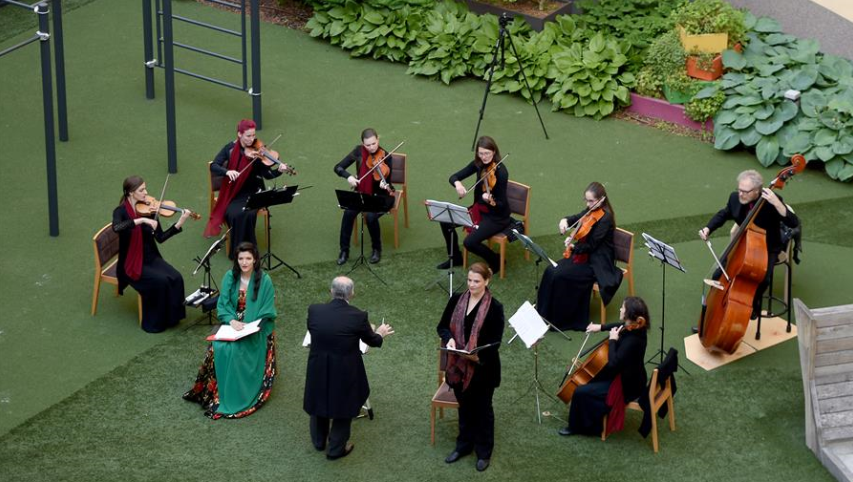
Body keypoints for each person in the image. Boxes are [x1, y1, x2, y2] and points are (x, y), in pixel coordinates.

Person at [183, 242, 278, 419]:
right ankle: (214, 393)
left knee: (236, 350)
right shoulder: (229, 277)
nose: (244, 262)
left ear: (255, 259)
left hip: (256, 326)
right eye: (241, 258)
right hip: (233, 322)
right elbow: (223, 304)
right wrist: (232, 320)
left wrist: (249, 327)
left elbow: (267, 310)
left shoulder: (265, 280)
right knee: (218, 347)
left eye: (248, 258)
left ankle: (236, 394)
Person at [303, 276, 394, 460]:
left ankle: (319, 442)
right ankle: (336, 449)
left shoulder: (314, 310)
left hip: (318, 367)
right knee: (343, 406)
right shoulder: (358, 316)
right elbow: (372, 341)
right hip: (344, 370)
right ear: (352, 293)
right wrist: (380, 333)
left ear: (331, 291)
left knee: (319, 399)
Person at [698, 169, 800, 320]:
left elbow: (793, 222)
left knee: (762, 279)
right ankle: (710, 315)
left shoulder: (771, 202)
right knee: (718, 274)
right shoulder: (734, 198)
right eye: (739, 189)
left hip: (768, 247)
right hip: (743, 242)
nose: (741, 194)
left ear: (757, 191)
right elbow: (724, 213)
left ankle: (751, 306)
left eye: (745, 192)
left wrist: (777, 203)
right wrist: (708, 228)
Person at [437, 263, 504, 472]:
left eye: (476, 281)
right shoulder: (456, 299)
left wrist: (478, 356)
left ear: (487, 281)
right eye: (469, 280)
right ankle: (464, 445)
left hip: (483, 369)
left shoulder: (495, 307)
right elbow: (442, 327)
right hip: (458, 367)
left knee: (483, 410)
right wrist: (449, 339)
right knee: (465, 408)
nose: (472, 285)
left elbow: (495, 342)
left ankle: (484, 452)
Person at [558, 296, 650, 437]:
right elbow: (620, 325)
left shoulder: (632, 341)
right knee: (592, 380)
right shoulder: (636, 327)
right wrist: (600, 327)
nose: (620, 309)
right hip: (631, 376)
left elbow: (613, 364)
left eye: (623, 308)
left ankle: (576, 426)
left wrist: (612, 340)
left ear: (629, 315)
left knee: (580, 391)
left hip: (627, 386)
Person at [536, 182, 622, 331]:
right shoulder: (591, 210)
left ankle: (560, 319)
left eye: (591, 201)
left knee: (560, 275)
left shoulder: (606, 218)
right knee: (550, 270)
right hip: (583, 255)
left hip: (597, 262)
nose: (588, 204)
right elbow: (576, 217)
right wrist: (565, 220)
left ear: (602, 199)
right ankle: (544, 313)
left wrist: (573, 246)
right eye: (586, 200)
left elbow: (592, 245)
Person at [112, 175, 191, 333]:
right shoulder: (120, 211)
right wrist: (141, 221)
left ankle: (172, 318)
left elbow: (160, 238)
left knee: (176, 277)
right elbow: (117, 227)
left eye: (145, 188)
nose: (146, 193)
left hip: (150, 257)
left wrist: (180, 223)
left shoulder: (148, 210)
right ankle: (156, 323)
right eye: (141, 190)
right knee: (160, 282)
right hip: (132, 262)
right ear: (130, 192)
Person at [204, 119, 292, 256]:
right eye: (248, 136)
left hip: (254, 192)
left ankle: (249, 250)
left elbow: (268, 175)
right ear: (239, 134)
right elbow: (214, 165)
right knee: (235, 214)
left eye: (253, 135)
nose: (252, 139)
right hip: (234, 193)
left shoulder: (258, 151)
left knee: (248, 213)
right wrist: (227, 172)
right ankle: (239, 251)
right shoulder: (229, 149)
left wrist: (279, 171)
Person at [437, 136, 509, 274]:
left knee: (469, 243)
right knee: (446, 221)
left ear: (494, 152)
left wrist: (490, 200)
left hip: (496, 217)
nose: (484, 157)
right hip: (478, 210)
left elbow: (501, 204)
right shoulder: (478, 164)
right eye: (481, 153)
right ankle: (456, 257)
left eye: (487, 153)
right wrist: (458, 184)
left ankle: (496, 260)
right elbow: (454, 177)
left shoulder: (501, 172)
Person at [333, 128, 394, 265]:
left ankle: (376, 249)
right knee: (348, 213)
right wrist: (348, 177)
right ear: (363, 144)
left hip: (380, 196)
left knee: (370, 216)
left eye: (374, 143)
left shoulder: (386, 156)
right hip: (361, 193)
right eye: (368, 145)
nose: (371, 147)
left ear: (378, 140)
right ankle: (344, 251)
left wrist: (385, 184)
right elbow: (338, 167)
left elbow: (390, 183)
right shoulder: (358, 151)